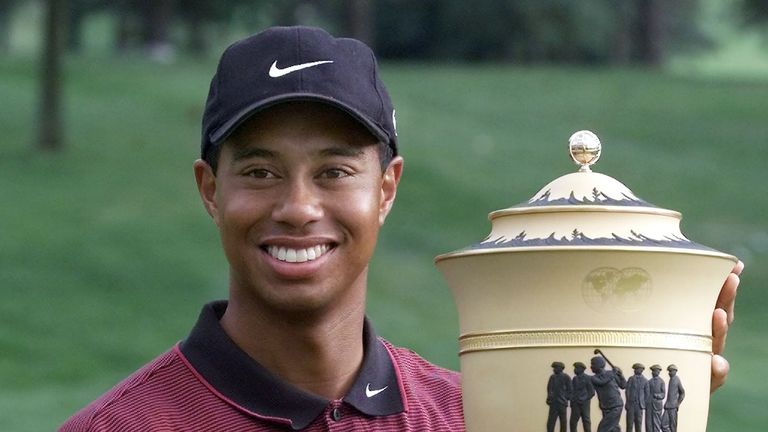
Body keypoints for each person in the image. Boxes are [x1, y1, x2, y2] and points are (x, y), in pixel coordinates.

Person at [59, 25, 744, 431]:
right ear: (211, 191)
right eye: (262, 172)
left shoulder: (470, 420)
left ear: (386, 190)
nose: (298, 206)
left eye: (334, 171)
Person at [590, 356, 626, 432]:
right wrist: (613, 373)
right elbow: (602, 382)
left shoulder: (611, 373)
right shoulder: (594, 378)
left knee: (603, 429)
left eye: (593, 364)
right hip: (605, 407)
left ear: (600, 365)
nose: (591, 367)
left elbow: (623, 385)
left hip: (616, 406)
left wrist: (621, 375)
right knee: (613, 428)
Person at [570, 361, 595, 432]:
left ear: (581, 369)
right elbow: (572, 390)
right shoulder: (574, 379)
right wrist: (572, 399)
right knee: (573, 422)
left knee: (586, 421)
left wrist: (584, 398)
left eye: (576, 368)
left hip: (584, 403)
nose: (574, 370)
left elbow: (592, 392)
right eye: (574, 368)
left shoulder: (587, 378)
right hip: (575, 403)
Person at [547, 361, 572, 432]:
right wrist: (549, 398)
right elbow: (549, 389)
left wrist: (565, 397)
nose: (554, 369)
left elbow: (570, 390)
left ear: (560, 368)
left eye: (555, 368)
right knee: (551, 421)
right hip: (553, 403)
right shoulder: (552, 377)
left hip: (562, 403)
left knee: (563, 421)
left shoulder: (566, 377)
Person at [625, 363, 648, 432]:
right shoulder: (631, 379)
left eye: (639, 369)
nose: (637, 370)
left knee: (638, 424)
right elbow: (627, 391)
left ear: (642, 370)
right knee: (629, 424)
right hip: (631, 405)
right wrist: (628, 401)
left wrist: (643, 403)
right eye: (636, 369)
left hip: (639, 406)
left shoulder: (645, 380)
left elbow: (647, 394)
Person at [662, 364, 685, 432]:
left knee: (673, 426)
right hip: (668, 406)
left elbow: (682, 393)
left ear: (675, 371)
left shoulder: (676, 379)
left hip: (673, 407)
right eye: (669, 371)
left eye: (670, 371)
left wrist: (678, 403)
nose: (669, 373)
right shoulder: (671, 379)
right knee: (663, 424)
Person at [644, 364, 666, 432]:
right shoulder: (649, 381)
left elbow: (663, 394)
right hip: (649, 405)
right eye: (652, 371)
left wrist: (657, 395)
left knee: (656, 422)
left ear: (658, 372)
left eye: (654, 371)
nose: (652, 372)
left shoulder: (661, 381)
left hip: (657, 405)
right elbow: (646, 393)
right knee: (649, 422)